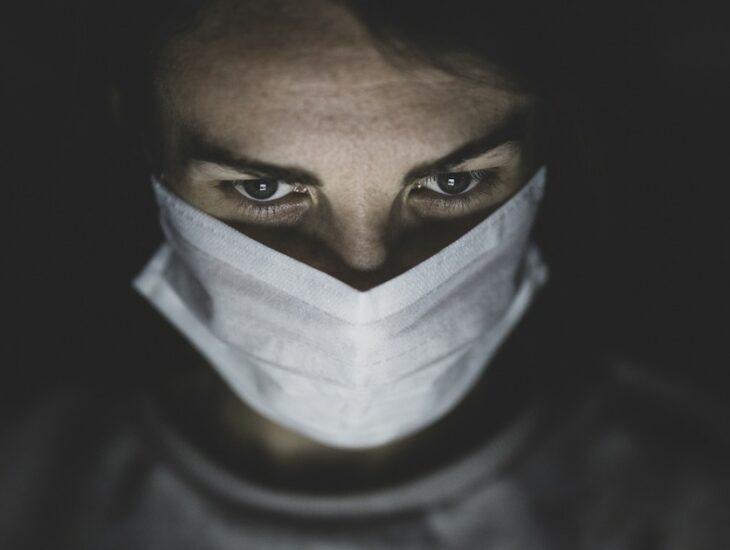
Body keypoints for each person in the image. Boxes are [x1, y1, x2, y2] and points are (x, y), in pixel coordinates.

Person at [2, 0, 728, 548]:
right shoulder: (29, 481)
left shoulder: (692, 494)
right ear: (145, 145)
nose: (365, 283)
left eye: (451, 184)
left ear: (545, 151)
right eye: (263, 190)